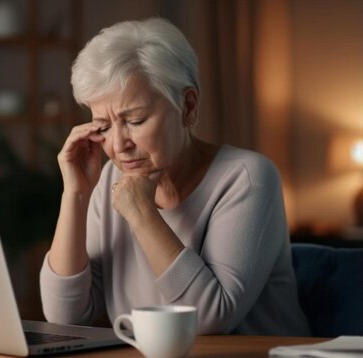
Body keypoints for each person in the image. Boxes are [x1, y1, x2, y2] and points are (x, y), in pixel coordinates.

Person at [39, 17, 310, 336]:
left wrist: (141, 213)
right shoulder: (108, 180)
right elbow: (65, 316)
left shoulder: (247, 177)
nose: (118, 145)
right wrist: (76, 194)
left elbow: (209, 318)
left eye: (135, 120)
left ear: (188, 107)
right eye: (103, 126)